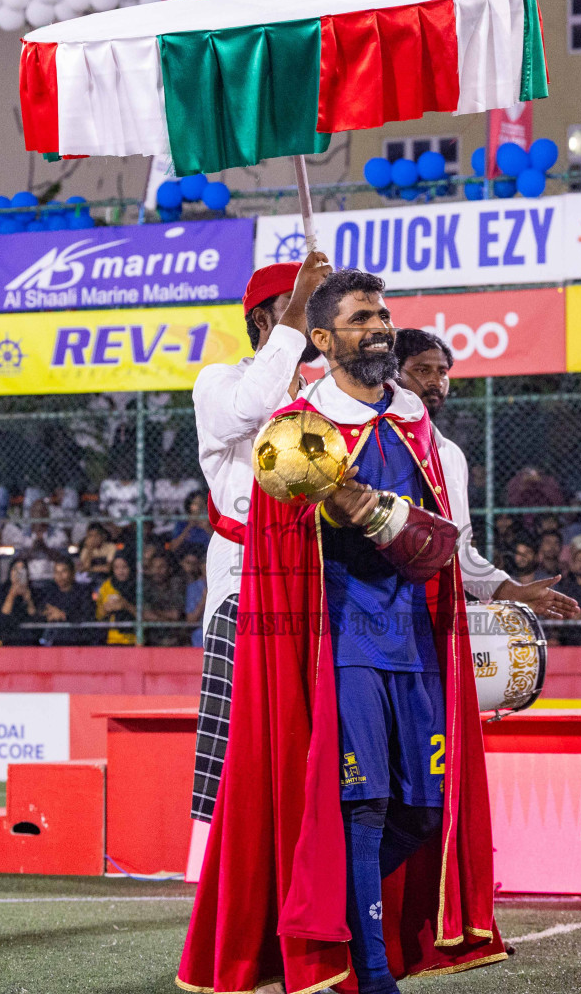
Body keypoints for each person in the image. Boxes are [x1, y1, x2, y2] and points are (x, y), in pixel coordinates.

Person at [179, 269, 504, 994]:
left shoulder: (418, 420)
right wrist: (330, 509)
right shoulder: (293, 423)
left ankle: (319, 895)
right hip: (339, 642)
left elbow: (441, 538)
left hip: (417, 642)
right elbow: (279, 527)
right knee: (359, 804)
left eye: (384, 313)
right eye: (361, 317)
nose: (380, 326)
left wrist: (415, 535)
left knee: (424, 811)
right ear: (320, 339)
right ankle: (369, 972)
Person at [188, 252, 331, 826]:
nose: (310, 316)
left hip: (318, 577)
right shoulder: (217, 381)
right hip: (244, 571)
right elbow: (251, 411)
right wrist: (300, 306)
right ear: (264, 323)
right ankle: (216, 864)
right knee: (234, 727)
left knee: (313, 731)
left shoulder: (327, 395)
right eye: (295, 307)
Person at [392, 328, 576, 619]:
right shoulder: (371, 439)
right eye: (421, 370)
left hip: (432, 615)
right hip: (370, 608)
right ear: (392, 374)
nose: (434, 381)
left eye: (442, 372)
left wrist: (513, 591)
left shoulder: (450, 455)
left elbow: (459, 551)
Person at [37, 555, 94, 646]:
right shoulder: (49, 591)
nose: (60, 576)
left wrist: (63, 615)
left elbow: (87, 615)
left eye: (64, 571)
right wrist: (46, 614)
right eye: (57, 572)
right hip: (52, 639)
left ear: (72, 573)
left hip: (76, 639)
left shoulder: (83, 591)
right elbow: (41, 610)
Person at [140, 549, 187, 646]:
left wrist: (155, 613)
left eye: (161, 567)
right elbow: (146, 615)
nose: (157, 571)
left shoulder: (176, 585)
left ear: (169, 569)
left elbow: (175, 615)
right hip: (152, 639)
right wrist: (168, 619)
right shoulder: (146, 587)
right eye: (154, 567)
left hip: (174, 638)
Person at [94, 552, 137, 645]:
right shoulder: (107, 586)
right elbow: (98, 615)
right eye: (116, 568)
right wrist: (105, 610)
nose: (120, 572)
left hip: (136, 639)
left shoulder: (138, 585)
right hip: (113, 639)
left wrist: (126, 605)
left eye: (124, 567)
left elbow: (145, 615)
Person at [0, 558, 38, 646]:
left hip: (30, 641)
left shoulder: (34, 592)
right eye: (16, 570)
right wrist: (11, 595)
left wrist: (28, 600)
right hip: (7, 640)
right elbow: (1, 620)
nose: (19, 573)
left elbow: (36, 620)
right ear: (10, 572)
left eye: (22, 570)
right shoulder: (1, 592)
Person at [182, 550, 207, 648]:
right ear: (201, 567)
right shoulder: (194, 588)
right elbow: (191, 620)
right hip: (200, 633)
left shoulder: (226, 585)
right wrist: (204, 601)